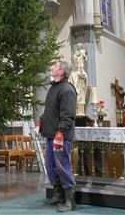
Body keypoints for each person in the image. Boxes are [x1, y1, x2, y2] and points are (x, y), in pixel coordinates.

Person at [36, 60, 77, 212]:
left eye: (54, 66)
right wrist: (40, 122)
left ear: (61, 72)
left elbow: (68, 116)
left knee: (63, 167)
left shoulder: (67, 90)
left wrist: (61, 133)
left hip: (61, 137)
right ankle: (58, 195)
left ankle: (70, 200)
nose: (51, 68)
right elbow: (49, 111)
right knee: (51, 167)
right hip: (50, 134)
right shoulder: (54, 88)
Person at [69, 44, 88, 116]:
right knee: (76, 98)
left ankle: (81, 112)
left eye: (77, 61)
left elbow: (85, 79)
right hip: (74, 97)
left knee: (81, 97)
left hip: (81, 90)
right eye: (75, 62)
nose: (76, 63)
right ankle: (76, 111)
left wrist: (83, 77)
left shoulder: (83, 73)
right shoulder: (72, 74)